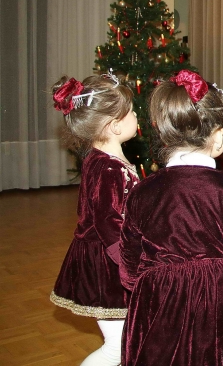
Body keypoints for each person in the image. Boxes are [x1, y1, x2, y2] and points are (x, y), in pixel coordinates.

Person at [120, 70, 223, 365]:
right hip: (215, 295)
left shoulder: (141, 192)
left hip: (157, 294)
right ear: (219, 136)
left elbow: (129, 262)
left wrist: (144, 286)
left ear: (163, 134)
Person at [49, 72, 139, 366]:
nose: (136, 116)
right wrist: (130, 265)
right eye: (131, 112)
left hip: (110, 259)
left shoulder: (105, 159)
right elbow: (108, 223)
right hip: (108, 265)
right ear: (114, 125)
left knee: (128, 340)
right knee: (117, 347)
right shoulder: (108, 168)